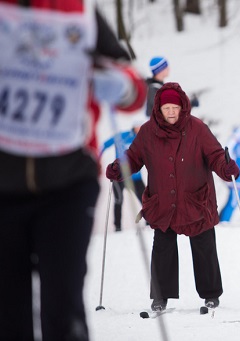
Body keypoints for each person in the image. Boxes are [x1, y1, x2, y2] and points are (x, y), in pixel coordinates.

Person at [0, 1, 146, 340]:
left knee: (63, 305)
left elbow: (135, 88)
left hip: (67, 184)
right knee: (8, 311)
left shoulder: (80, 11)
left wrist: (121, 85)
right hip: (3, 186)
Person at [106, 82, 240, 312]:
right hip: (163, 202)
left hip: (196, 200)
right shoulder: (148, 131)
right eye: (166, 107)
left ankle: (210, 294)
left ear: (182, 108)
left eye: (174, 107)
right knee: (162, 249)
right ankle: (160, 296)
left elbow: (216, 155)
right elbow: (134, 157)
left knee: (204, 247)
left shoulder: (198, 128)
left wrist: (226, 168)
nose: (170, 112)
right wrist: (120, 168)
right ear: (159, 108)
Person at [100, 121, 146, 231]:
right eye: (138, 126)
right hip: (119, 176)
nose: (140, 129)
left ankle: (150, 221)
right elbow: (105, 145)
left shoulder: (143, 138)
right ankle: (118, 227)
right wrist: (97, 160)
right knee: (118, 200)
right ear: (134, 126)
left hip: (136, 177)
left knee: (145, 199)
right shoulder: (122, 136)